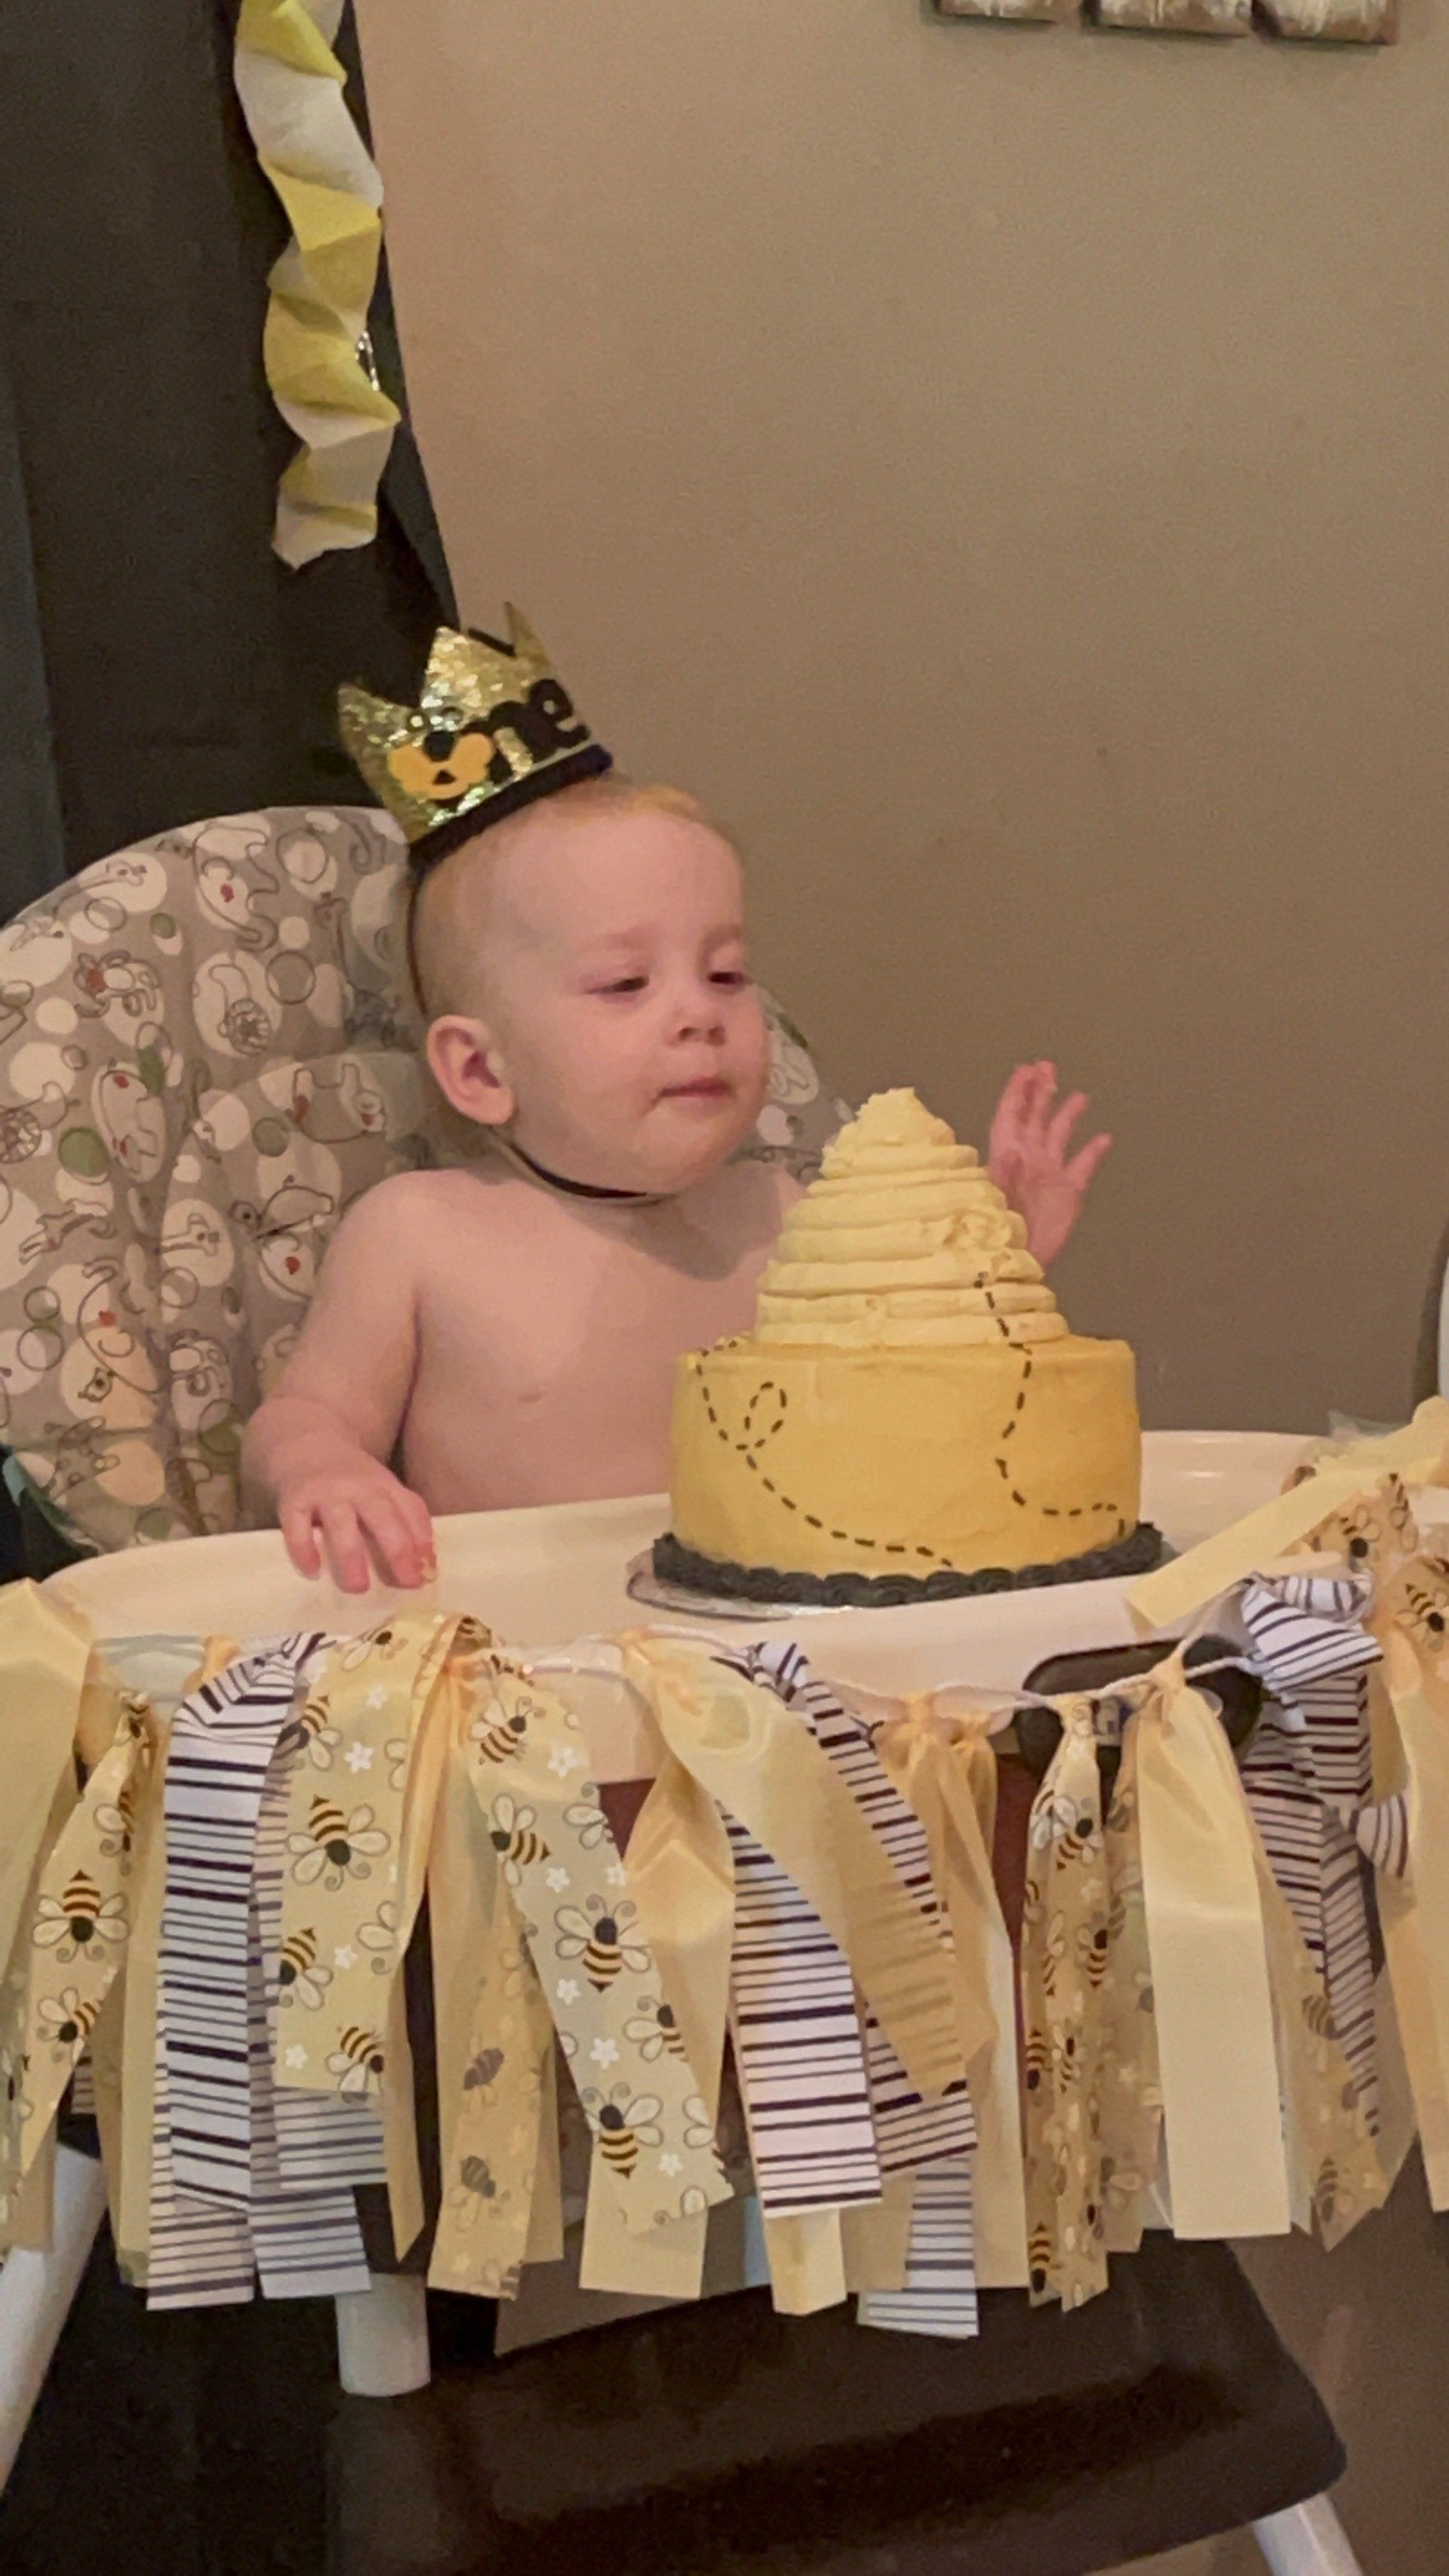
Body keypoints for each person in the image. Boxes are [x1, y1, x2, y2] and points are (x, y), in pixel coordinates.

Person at [241, 620, 1110, 1592]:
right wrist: (322, 1469)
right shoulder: (421, 1233)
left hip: (772, 1652)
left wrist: (984, 1278)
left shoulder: (780, 1215)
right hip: (530, 1670)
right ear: (480, 1072)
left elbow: (898, 1423)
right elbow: (306, 1412)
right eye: (625, 985)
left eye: (728, 973)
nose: (700, 1014)